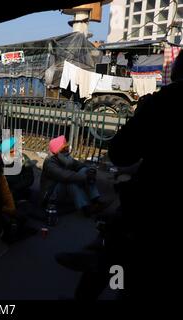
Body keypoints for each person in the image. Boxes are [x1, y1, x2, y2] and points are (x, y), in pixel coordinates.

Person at [55, 51, 183, 300]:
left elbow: (120, 153)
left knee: (117, 261)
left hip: (151, 210)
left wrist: (141, 115)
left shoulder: (166, 101)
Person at [39, 135, 103, 217]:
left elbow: (78, 165)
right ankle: (85, 208)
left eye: (67, 146)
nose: (67, 149)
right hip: (50, 196)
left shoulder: (64, 157)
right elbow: (65, 176)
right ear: (58, 150)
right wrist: (86, 177)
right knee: (71, 182)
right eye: (64, 148)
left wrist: (90, 170)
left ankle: (96, 200)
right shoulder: (50, 163)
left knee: (85, 171)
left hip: (60, 189)